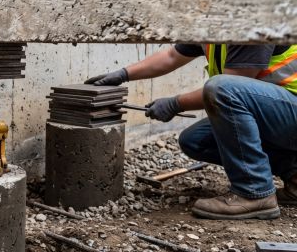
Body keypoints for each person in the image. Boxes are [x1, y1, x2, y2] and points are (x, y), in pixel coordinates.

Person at [86, 43, 297, 220]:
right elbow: (171, 56)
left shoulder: (251, 23)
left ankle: (254, 191)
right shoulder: (212, 24)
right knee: (195, 140)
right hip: (280, 117)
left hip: (291, 116)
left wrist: (175, 103)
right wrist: (123, 75)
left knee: (222, 88)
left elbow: (226, 88)